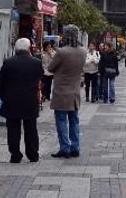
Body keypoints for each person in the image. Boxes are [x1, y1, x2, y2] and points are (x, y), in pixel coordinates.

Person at [0, 38, 43, 163]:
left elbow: (0, 83)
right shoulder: (36, 63)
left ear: (16, 49)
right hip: (30, 100)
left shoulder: (8, 62)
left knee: (13, 129)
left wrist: (4, 97)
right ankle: (32, 154)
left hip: (11, 101)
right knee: (31, 128)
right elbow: (40, 79)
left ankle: (15, 154)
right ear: (29, 49)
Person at [48, 25, 86, 158]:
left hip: (61, 92)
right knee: (74, 120)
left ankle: (65, 147)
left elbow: (50, 68)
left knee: (61, 121)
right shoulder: (83, 51)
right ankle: (75, 146)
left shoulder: (62, 52)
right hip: (75, 91)